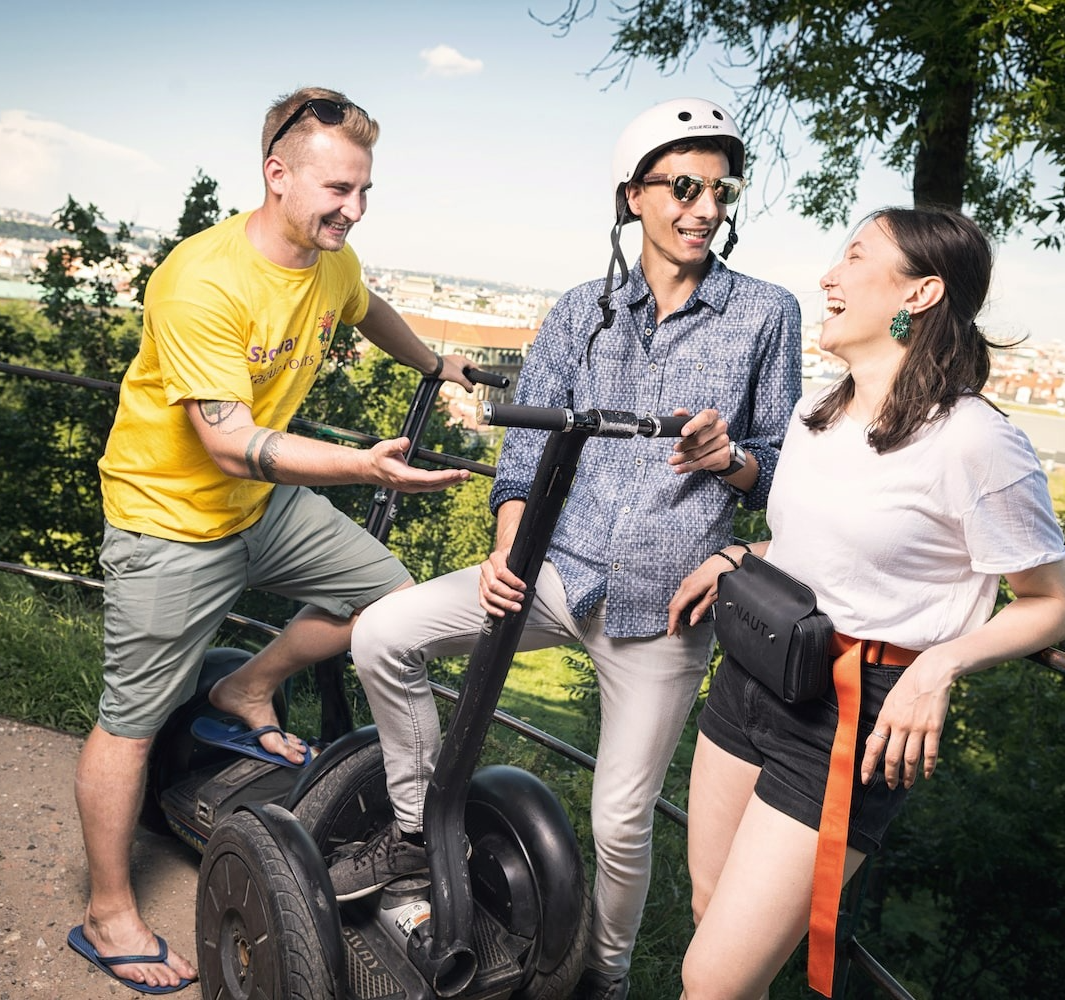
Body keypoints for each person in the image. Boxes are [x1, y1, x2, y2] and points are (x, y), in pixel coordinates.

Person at [343, 97, 803, 1000]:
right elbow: (522, 461)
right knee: (380, 636)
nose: (706, 207)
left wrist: (735, 461)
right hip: (557, 572)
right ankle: (414, 834)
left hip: (666, 608)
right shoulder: (577, 313)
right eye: (684, 187)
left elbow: (786, 469)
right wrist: (508, 551)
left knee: (622, 821)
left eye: (721, 189)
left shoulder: (765, 315)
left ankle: (605, 975)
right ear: (635, 197)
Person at [68, 86, 477, 993]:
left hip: (263, 509)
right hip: (170, 519)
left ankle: (246, 684)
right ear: (276, 175)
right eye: (338, 189)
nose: (355, 209)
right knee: (130, 723)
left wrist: (433, 362)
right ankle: (107, 914)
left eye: (366, 190)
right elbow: (225, 441)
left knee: (389, 600)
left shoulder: (331, 256)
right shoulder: (202, 278)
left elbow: (365, 306)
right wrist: (365, 467)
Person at [668, 207, 1065, 1000]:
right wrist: (735, 552)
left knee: (713, 982)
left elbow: (1053, 605)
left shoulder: (974, 441)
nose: (828, 275)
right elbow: (819, 552)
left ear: (920, 293)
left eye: (854, 256)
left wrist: (942, 666)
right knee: (707, 917)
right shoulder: (817, 414)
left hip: (850, 718)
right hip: (754, 675)